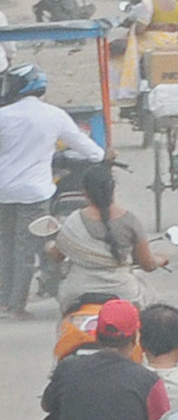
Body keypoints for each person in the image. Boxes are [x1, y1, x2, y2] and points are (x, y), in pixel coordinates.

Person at [0, 64, 106, 319]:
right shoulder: (54, 115)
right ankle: (14, 306)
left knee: (4, 247)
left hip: (2, 193)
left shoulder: (4, 115)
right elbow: (89, 150)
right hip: (35, 195)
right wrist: (103, 155)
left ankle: (2, 299)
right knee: (26, 249)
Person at [41, 298, 170, 420]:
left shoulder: (68, 368)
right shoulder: (149, 382)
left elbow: (46, 405)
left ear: (97, 335)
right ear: (134, 338)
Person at [48, 164, 168, 313]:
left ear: (85, 192)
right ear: (113, 190)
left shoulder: (72, 222)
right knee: (152, 308)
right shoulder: (129, 221)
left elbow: (57, 256)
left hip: (77, 292)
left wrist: (48, 247)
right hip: (124, 293)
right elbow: (148, 265)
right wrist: (161, 259)